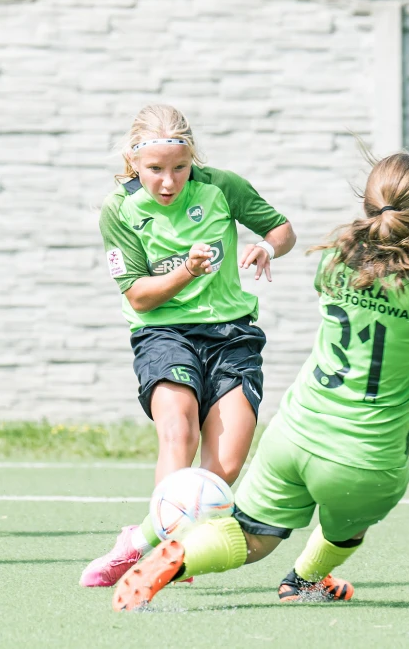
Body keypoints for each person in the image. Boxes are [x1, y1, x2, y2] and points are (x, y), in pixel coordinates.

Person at [111, 151, 409, 610]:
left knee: (249, 537)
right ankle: (304, 579)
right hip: (363, 456)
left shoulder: (335, 261)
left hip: (293, 435)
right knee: (350, 524)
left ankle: (179, 558)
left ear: (368, 204)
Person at [80, 103, 296, 587]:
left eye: (179, 167)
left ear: (192, 157)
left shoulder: (222, 187)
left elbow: (282, 229)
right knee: (179, 432)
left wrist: (267, 247)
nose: (168, 181)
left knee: (226, 466)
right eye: (155, 169)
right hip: (164, 333)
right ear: (133, 162)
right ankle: (163, 552)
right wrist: (187, 271)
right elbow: (139, 295)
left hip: (232, 334)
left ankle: (140, 539)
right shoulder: (119, 209)